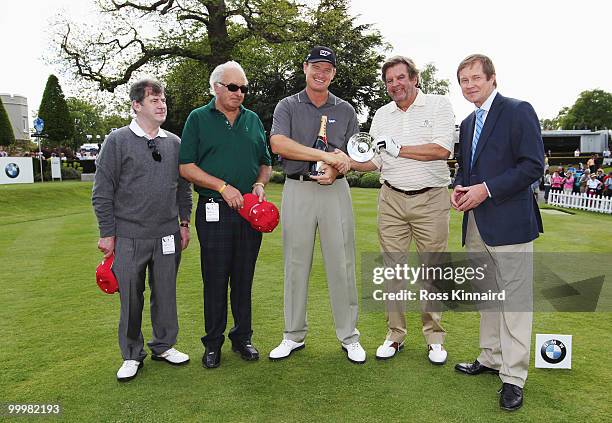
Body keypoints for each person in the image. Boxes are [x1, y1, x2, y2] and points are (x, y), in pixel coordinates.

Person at [451, 54, 544, 412]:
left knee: (515, 303)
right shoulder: (468, 122)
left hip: (510, 223)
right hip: (476, 222)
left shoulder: (518, 110)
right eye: (464, 80)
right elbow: (467, 167)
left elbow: (533, 165)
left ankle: (513, 377)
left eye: (476, 77)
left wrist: (486, 189)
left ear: (492, 79)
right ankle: (490, 358)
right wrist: (460, 187)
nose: (470, 85)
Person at [350, 55, 455, 364]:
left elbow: (442, 149)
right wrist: (345, 164)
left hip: (431, 200)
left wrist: (399, 148)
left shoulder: (439, 105)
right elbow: (377, 160)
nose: (394, 84)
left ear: (414, 78)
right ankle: (395, 335)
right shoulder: (382, 114)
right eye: (389, 81)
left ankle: (434, 338)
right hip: (392, 198)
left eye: (400, 78)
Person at [268, 46, 366, 364]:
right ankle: (293, 335)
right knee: (296, 265)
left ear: (333, 74)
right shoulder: (288, 105)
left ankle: (349, 336)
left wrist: (337, 167)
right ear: (305, 68)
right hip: (298, 189)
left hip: (335, 191)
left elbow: (352, 156)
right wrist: (325, 156)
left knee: (342, 264)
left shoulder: (346, 109)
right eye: (316, 67)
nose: (320, 73)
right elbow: (279, 143)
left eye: (327, 69)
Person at [92, 78, 193, 382]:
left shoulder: (175, 143)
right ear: (136, 106)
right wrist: (107, 233)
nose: (162, 105)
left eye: (163, 99)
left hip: (167, 234)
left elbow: (184, 188)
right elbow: (102, 191)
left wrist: (184, 223)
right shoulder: (117, 141)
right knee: (131, 298)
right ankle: (132, 354)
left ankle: (164, 345)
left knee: (165, 293)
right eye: (154, 100)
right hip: (129, 235)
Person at [178, 61, 272, 369]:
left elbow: (265, 162)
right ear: (216, 87)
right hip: (213, 210)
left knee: (244, 279)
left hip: (249, 212)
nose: (240, 93)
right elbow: (187, 167)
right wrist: (222, 186)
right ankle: (213, 342)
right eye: (233, 87)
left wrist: (259, 182)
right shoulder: (198, 119)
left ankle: (242, 337)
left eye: (244, 88)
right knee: (215, 278)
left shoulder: (254, 120)